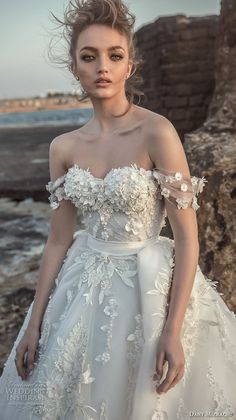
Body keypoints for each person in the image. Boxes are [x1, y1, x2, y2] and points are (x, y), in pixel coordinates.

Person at [0, 0, 235, 419]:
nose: (101, 67)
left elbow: (186, 236)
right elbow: (57, 240)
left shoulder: (157, 132)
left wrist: (173, 329)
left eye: (114, 55)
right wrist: (34, 323)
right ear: (75, 68)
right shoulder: (63, 147)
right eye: (88, 57)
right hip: (81, 283)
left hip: (149, 287)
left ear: (131, 64)